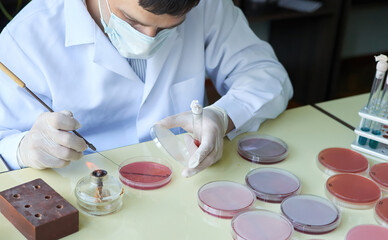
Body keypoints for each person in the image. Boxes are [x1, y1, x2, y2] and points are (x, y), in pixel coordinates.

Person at [0, 0, 293, 177]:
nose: (149, 39)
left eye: (168, 28)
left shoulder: (207, 6)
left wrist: (222, 116)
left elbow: (265, 74)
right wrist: (23, 149)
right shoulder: (27, 36)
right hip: (86, 195)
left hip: (186, 178)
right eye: (131, 21)